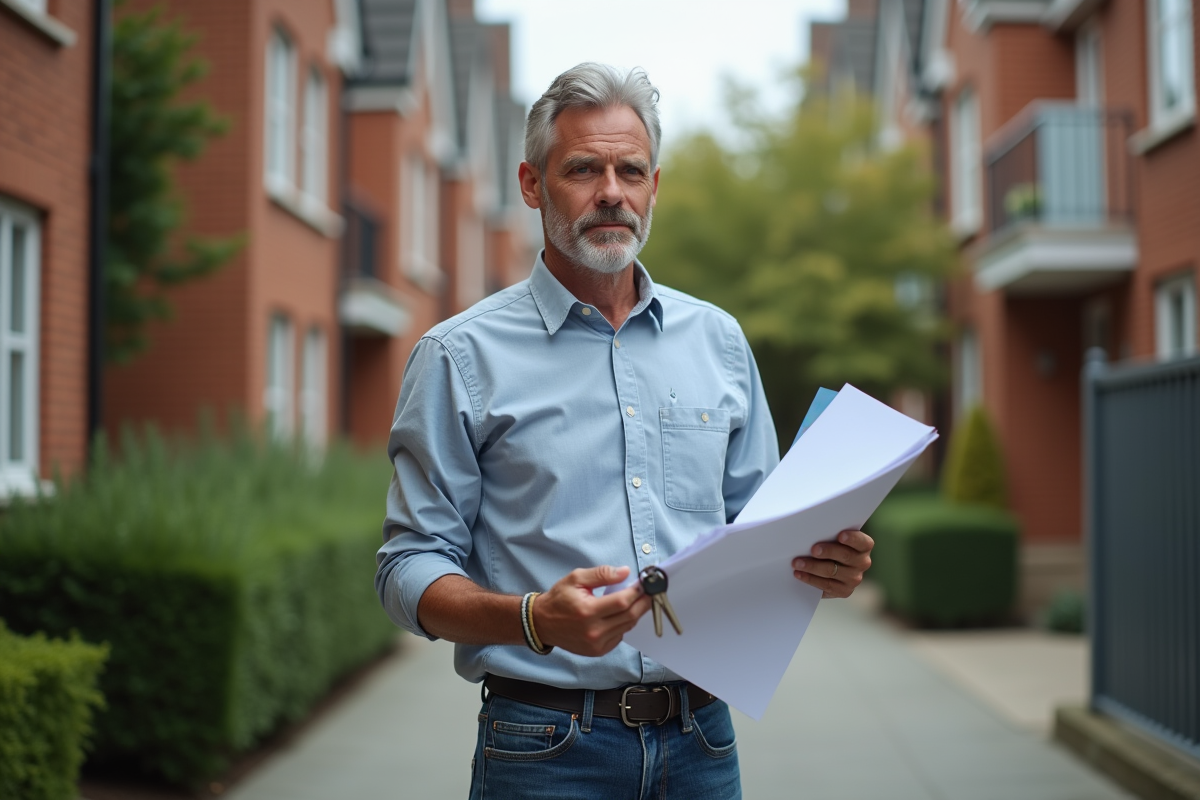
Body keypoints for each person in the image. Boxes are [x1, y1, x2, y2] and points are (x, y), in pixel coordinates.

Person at [376, 62, 875, 799]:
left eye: (630, 170)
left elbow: (761, 536)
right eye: (583, 168)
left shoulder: (720, 341)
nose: (612, 191)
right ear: (532, 184)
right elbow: (406, 568)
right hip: (544, 751)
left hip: (704, 743)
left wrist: (823, 566)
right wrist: (534, 618)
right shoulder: (458, 355)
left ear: (653, 186)